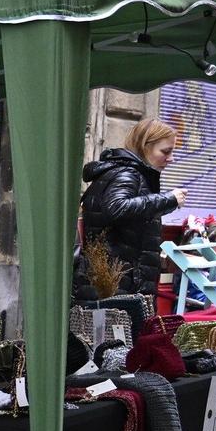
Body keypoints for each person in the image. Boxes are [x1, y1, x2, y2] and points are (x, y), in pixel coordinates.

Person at [75, 118, 187, 298]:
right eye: (165, 151)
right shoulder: (127, 174)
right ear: (145, 146)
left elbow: (130, 215)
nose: (171, 158)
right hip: (117, 285)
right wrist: (168, 199)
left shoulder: (129, 174)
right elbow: (117, 207)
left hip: (120, 282)